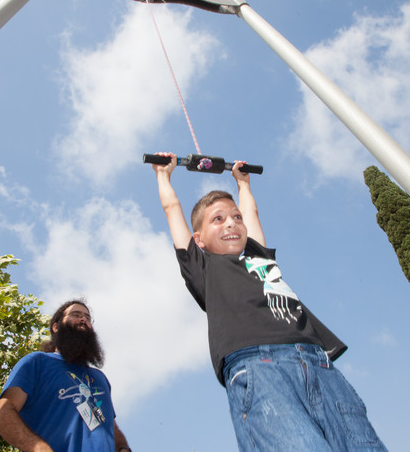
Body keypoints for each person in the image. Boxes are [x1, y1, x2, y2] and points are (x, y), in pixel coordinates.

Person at [152, 152, 387, 452]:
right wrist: (163, 175)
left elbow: (252, 214)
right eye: (218, 219)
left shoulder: (258, 256)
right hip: (259, 366)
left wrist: (243, 184)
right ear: (199, 239)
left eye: (235, 218)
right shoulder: (203, 267)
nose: (231, 224)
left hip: (317, 362)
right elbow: (172, 208)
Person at [0, 299, 132, 452]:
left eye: (88, 317)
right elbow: (2, 414)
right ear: (56, 327)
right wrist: (38, 448)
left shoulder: (99, 378)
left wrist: (123, 448)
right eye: (76, 314)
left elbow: (109, 427)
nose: (83, 319)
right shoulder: (37, 363)